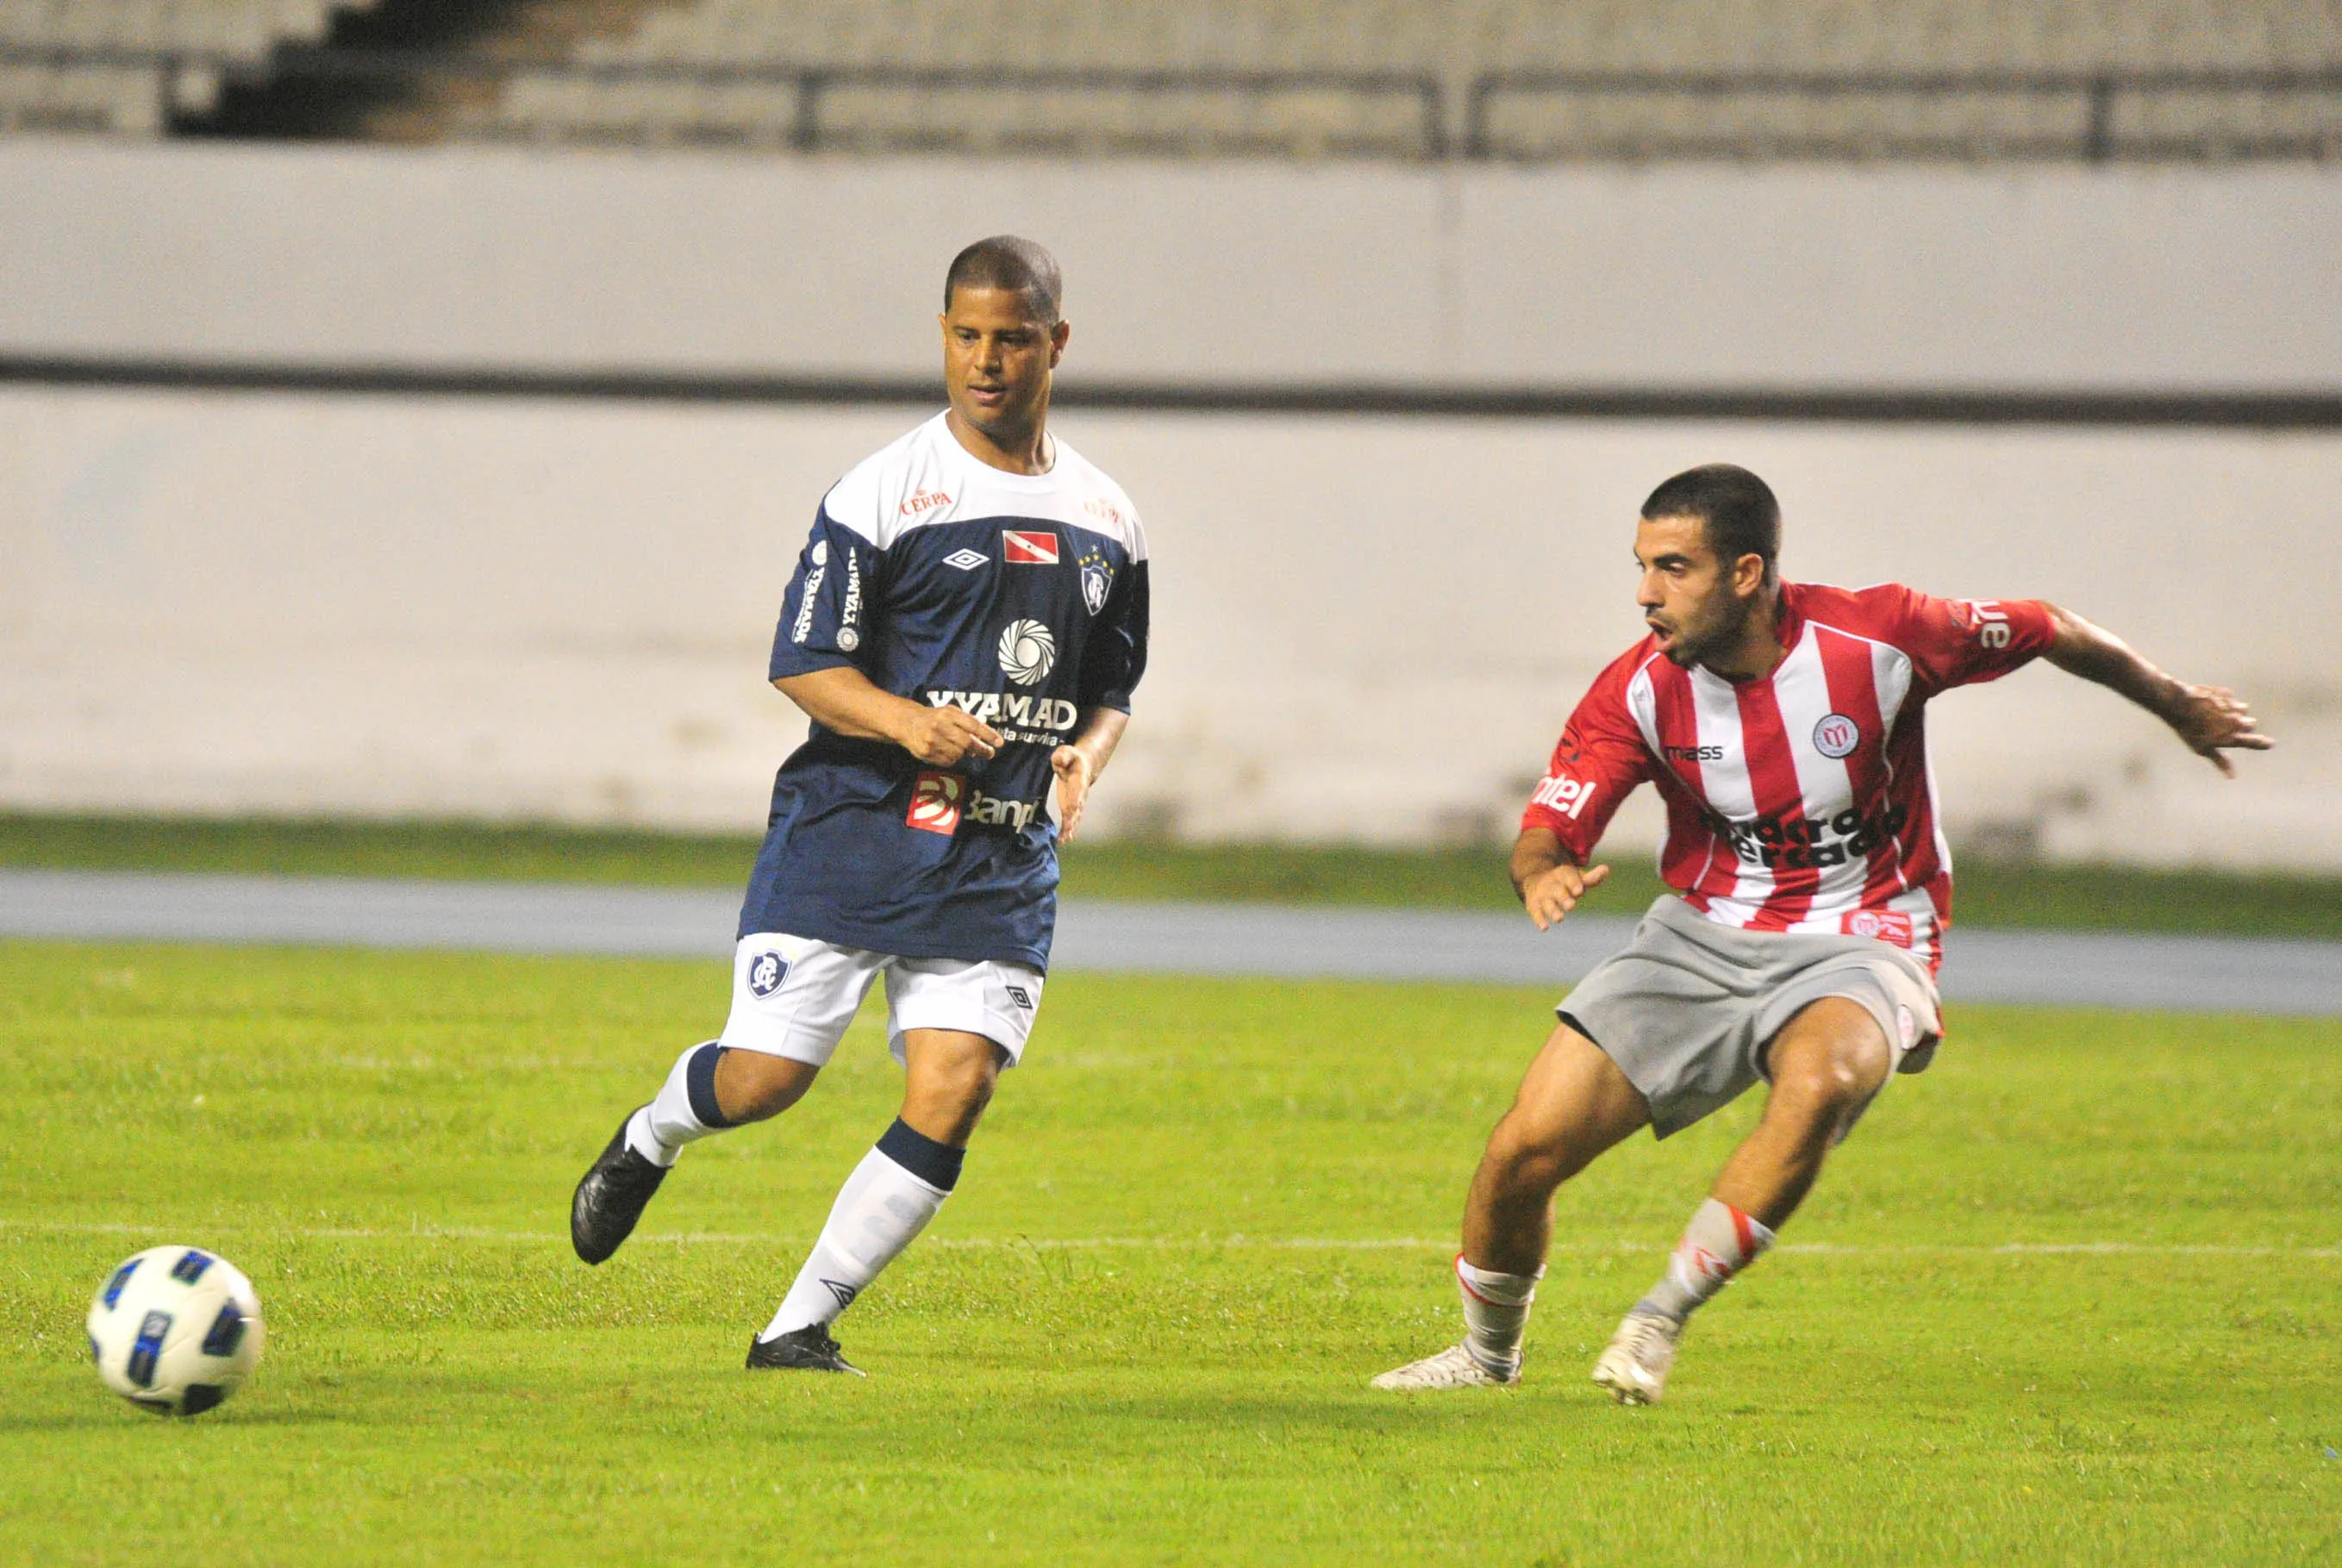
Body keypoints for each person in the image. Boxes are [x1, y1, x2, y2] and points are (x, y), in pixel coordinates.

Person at [1373, 463, 2267, 1404]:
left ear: (1747, 573)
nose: (1644, 594)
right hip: (1700, 932)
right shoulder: (1637, 689)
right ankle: (1483, 1357)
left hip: (1867, 928)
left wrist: (2175, 704)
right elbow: (1548, 823)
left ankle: (1658, 1315)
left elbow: (2045, 625)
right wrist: (1541, 869)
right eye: (1641, 567)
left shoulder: (1882, 635)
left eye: (1673, 568)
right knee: (1524, 1148)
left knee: (1824, 1078)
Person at [570, 235, 1149, 1375]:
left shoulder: (1107, 516)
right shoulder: (885, 491)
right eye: (966, 335)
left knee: (956, 1082)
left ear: (1056, 345)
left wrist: (1085, 752)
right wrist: (904, 720)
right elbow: (801, 661)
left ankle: (797, 1324)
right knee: (765, 1078)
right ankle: (650, 1136)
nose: (986, 361)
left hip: (998, 853)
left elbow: (1115, 684)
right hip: (855, 827)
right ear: (943, 335)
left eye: (1012, 339)